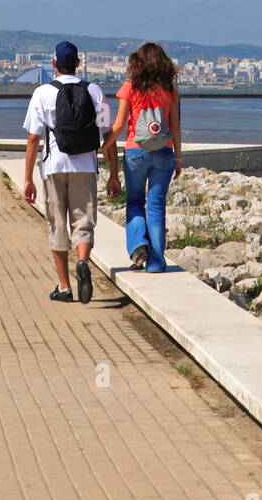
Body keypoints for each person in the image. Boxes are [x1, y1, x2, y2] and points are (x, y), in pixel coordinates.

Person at [23, 41, 119, 304]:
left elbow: (33, 139)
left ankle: (64, 286)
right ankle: (83, 261)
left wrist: (28, 179)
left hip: (53, 167)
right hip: (85, 166)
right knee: (84, 221)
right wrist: (114, 174)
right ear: (78, 63)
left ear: (54, 64)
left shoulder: (42, 93)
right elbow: (108, 135)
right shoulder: (94, 91)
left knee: (57, 225)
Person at [101, 42, 181, 273]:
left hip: (135, 152)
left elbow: (118, 126)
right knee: (156, 206)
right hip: (164, 152)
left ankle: (138, 245)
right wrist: (178, 157)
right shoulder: (169, 90)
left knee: (135, 202)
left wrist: (104, 145)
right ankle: (155, 262)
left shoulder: (130, 87)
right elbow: (175, 126)